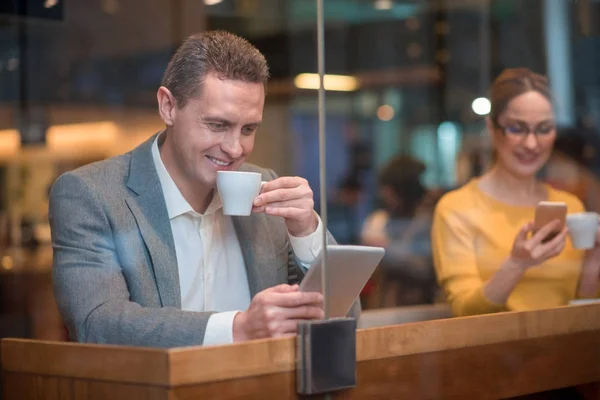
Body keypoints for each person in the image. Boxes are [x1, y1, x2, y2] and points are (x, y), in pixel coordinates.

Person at [49, 30, 358, 348]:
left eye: (248, 129)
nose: (235, 148)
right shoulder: (91, 195)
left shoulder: (265, 186)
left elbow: (346, 320)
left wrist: (306, 232)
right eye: (218, 125)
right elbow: (97, 323)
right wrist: (238, 329)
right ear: (168, 107)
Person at [432, 68, 600, 317]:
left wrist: (594, 260)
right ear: (492, 128)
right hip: (495, 354)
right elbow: (465, 312)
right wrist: (517, 264)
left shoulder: (570, 206)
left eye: (543, 129)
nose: (531, 144)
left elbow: (580, 305)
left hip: (566, 351)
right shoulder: (457, 208)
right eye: (517, 128)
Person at [361, 155, 438, 306]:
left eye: (388, 190)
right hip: (390, 306)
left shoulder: (428, 217)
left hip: (419, 308)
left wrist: (382, 248)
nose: (385, 195)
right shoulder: (391, 217)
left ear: (401, 189)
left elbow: (424, 266)